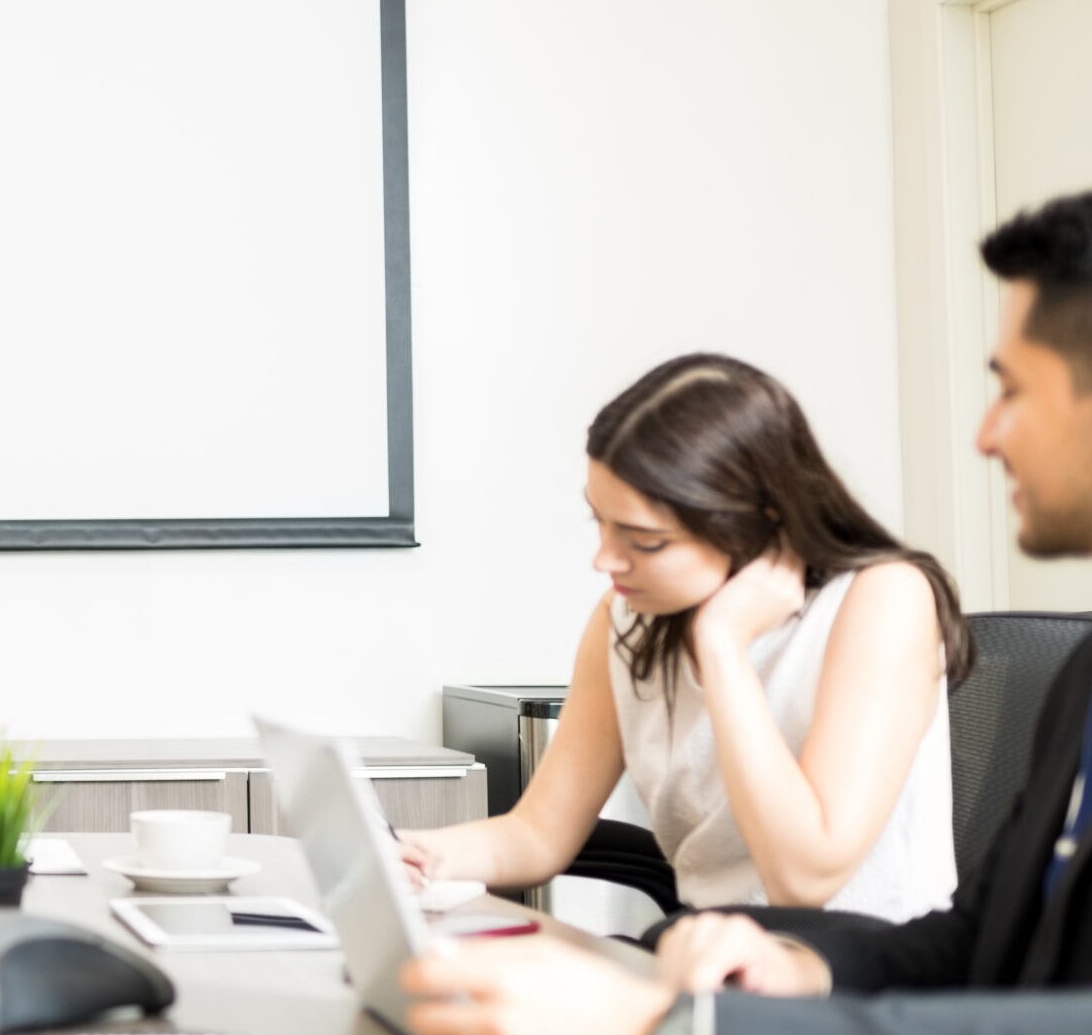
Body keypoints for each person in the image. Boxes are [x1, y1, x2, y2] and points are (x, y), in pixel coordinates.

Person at [398, 192, 1092, 1035]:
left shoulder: (881, 600)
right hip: (790, 991)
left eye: (1011, 388)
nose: (983, 433)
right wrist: (786, 976)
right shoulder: (1086, 680)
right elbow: (981, 946)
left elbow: (810, 875)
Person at [401, 353, 966, 924]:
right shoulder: (625, 620)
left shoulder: (883, 600)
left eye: (644, 541)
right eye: (598, 521)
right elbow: (538, 832)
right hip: (710, 953)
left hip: (857, 971)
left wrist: (721, 648)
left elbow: (804, 880)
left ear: (756, 520)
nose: (605, 559)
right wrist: (422, 856)